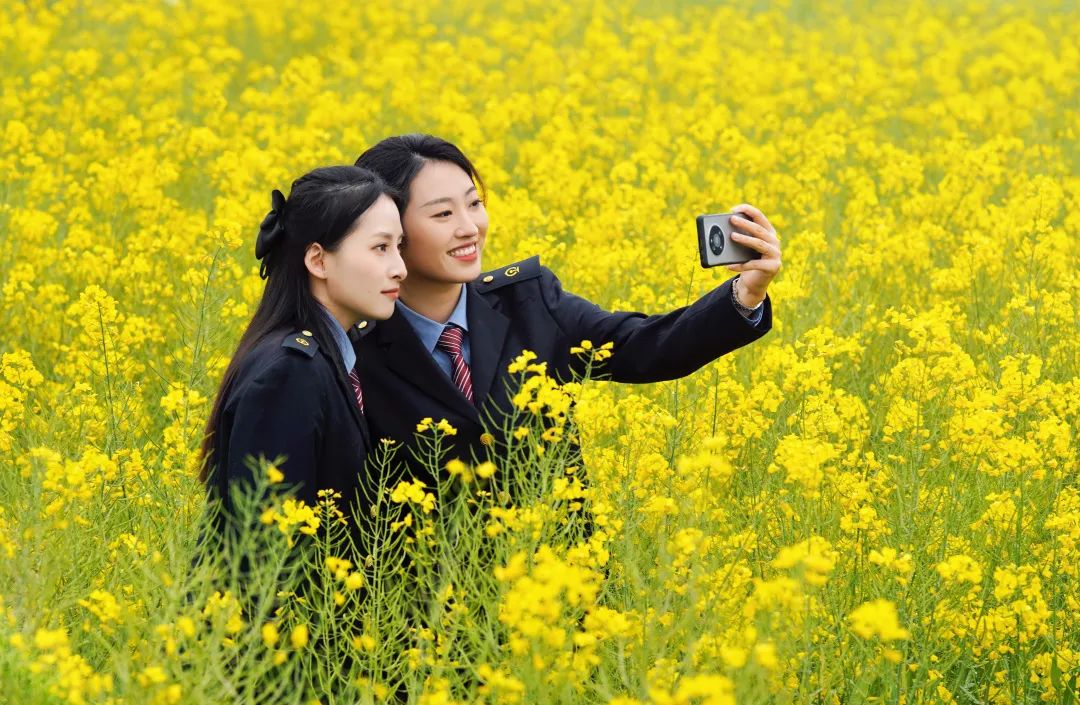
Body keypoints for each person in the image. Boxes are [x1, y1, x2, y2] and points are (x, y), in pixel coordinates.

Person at [351, 134, 781, 489]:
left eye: (474, 204)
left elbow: (645, 346)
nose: (469, 227)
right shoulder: (354, 348)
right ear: (391, 230)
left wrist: (747, 292)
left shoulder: (529, 302)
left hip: (561, 578)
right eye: (443, 213)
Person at [199, 165, 406, 526]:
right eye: (380, 248)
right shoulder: (288, 373)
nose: (400, 268)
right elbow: (266, 544)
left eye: (399, 247)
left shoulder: (330, 357)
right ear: (318, 260)